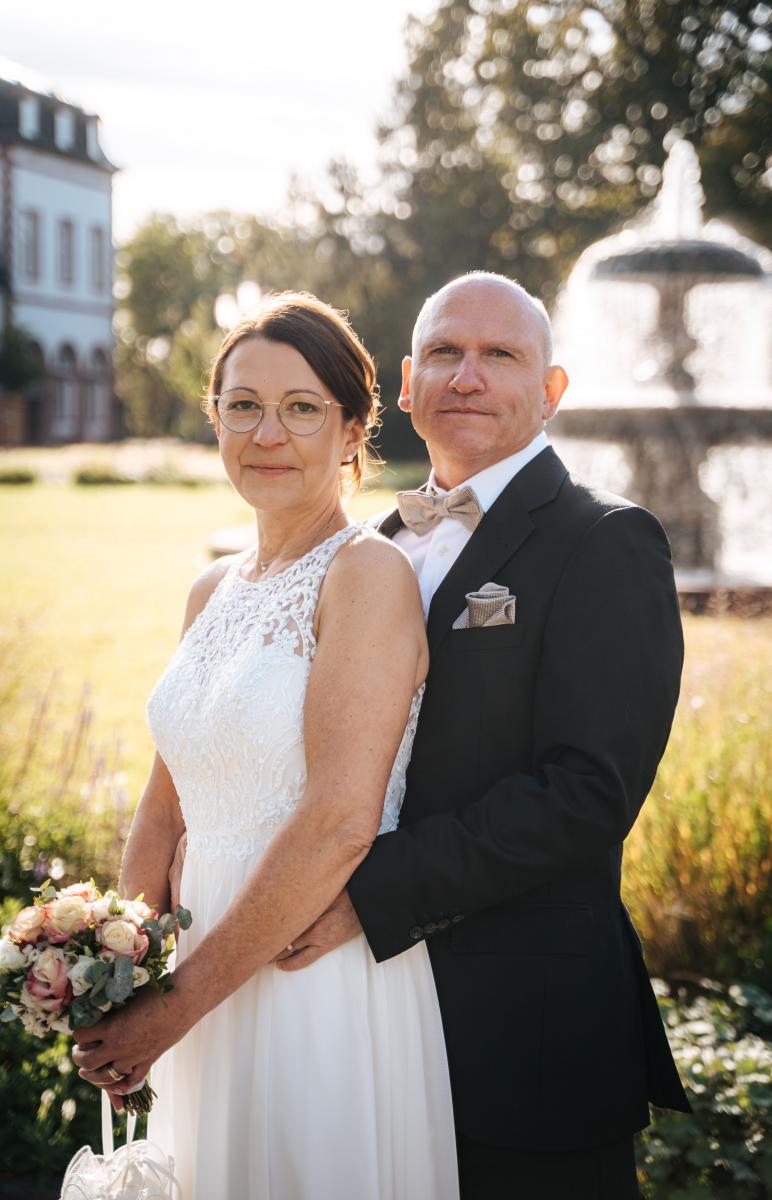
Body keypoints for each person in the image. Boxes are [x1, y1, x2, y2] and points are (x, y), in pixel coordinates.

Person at [275, 272, 692, 1199]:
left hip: (525, 1029)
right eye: (444, 353)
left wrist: (370, 895)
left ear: (551, 391)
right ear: (408, 384)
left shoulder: (606, 541)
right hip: (357, 1017)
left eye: (500, 354)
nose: (467, 376)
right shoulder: (365, 548)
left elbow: (587, 793)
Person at [72, 293, 460, 1199]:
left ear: (353, 429)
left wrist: (170, 1008)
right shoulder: (211, 589)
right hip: (194, 983)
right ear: (216, 419)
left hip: (310, 978)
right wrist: (117, 979)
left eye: (301, 408)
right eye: (243, 405)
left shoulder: (367, 576)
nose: (267, 434)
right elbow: (164, 808)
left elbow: (339, 821)